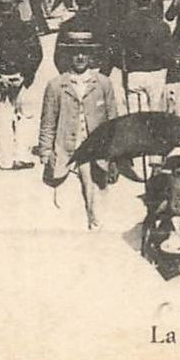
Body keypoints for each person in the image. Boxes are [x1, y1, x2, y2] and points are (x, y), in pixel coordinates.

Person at [35, 32, 120, 229]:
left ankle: (94, 225)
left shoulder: (103, 83)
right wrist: (46, 152)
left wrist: (115, 152)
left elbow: (113, 120)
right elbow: (48, 121)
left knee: (96, 195)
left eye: (84, 53)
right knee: (65, 201)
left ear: (91, 56)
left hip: (95, 149)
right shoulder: (56, 85)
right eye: (75, 53)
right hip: (67, 148)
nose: (80, 58)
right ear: (68, 56)